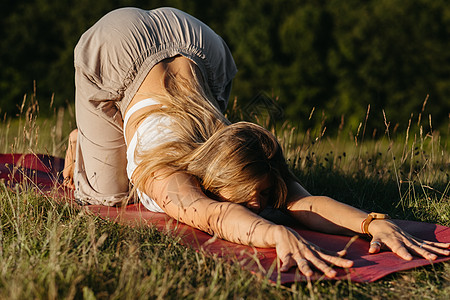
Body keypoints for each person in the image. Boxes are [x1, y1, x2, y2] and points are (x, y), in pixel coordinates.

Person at [63, 7, 450, 278]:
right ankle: (84, 136)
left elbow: (302, 200)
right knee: (107, 197)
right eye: (257, 198)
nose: (260, 207)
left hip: (199, 46)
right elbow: (212, 215)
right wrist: (275, 233)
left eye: (261, 199)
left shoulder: (236, 152)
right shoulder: (165, 172)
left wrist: (370, 224)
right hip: (116, 49)